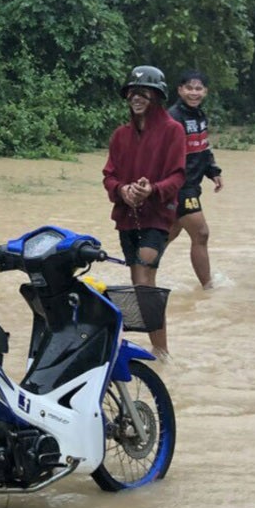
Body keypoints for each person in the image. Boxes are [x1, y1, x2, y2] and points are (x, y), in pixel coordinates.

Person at [101, 65, 186, 358]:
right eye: (132, 93)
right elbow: (109, 176)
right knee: (139, 283)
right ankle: (151, 350)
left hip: (158, 216)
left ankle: (161, 352)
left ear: (157, 97)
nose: (136, 98)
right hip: (127, 217)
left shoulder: (173, 131)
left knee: (146, 276)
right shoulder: (119, 136)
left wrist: (152, 190)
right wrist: (123, 191)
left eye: (144, 93)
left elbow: (177, 176)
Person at [165, 69, 223, 289]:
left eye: (198, 88)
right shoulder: (173, 118)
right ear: (180, 90)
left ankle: (140, 272)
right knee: (201, 233)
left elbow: (202, 147)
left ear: (205, 92)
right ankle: (208, 288)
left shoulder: (199, 116)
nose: (194, 92)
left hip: (193, 184)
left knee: (168, 233)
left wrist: (213, 172)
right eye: (189, 88)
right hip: (180, 186)